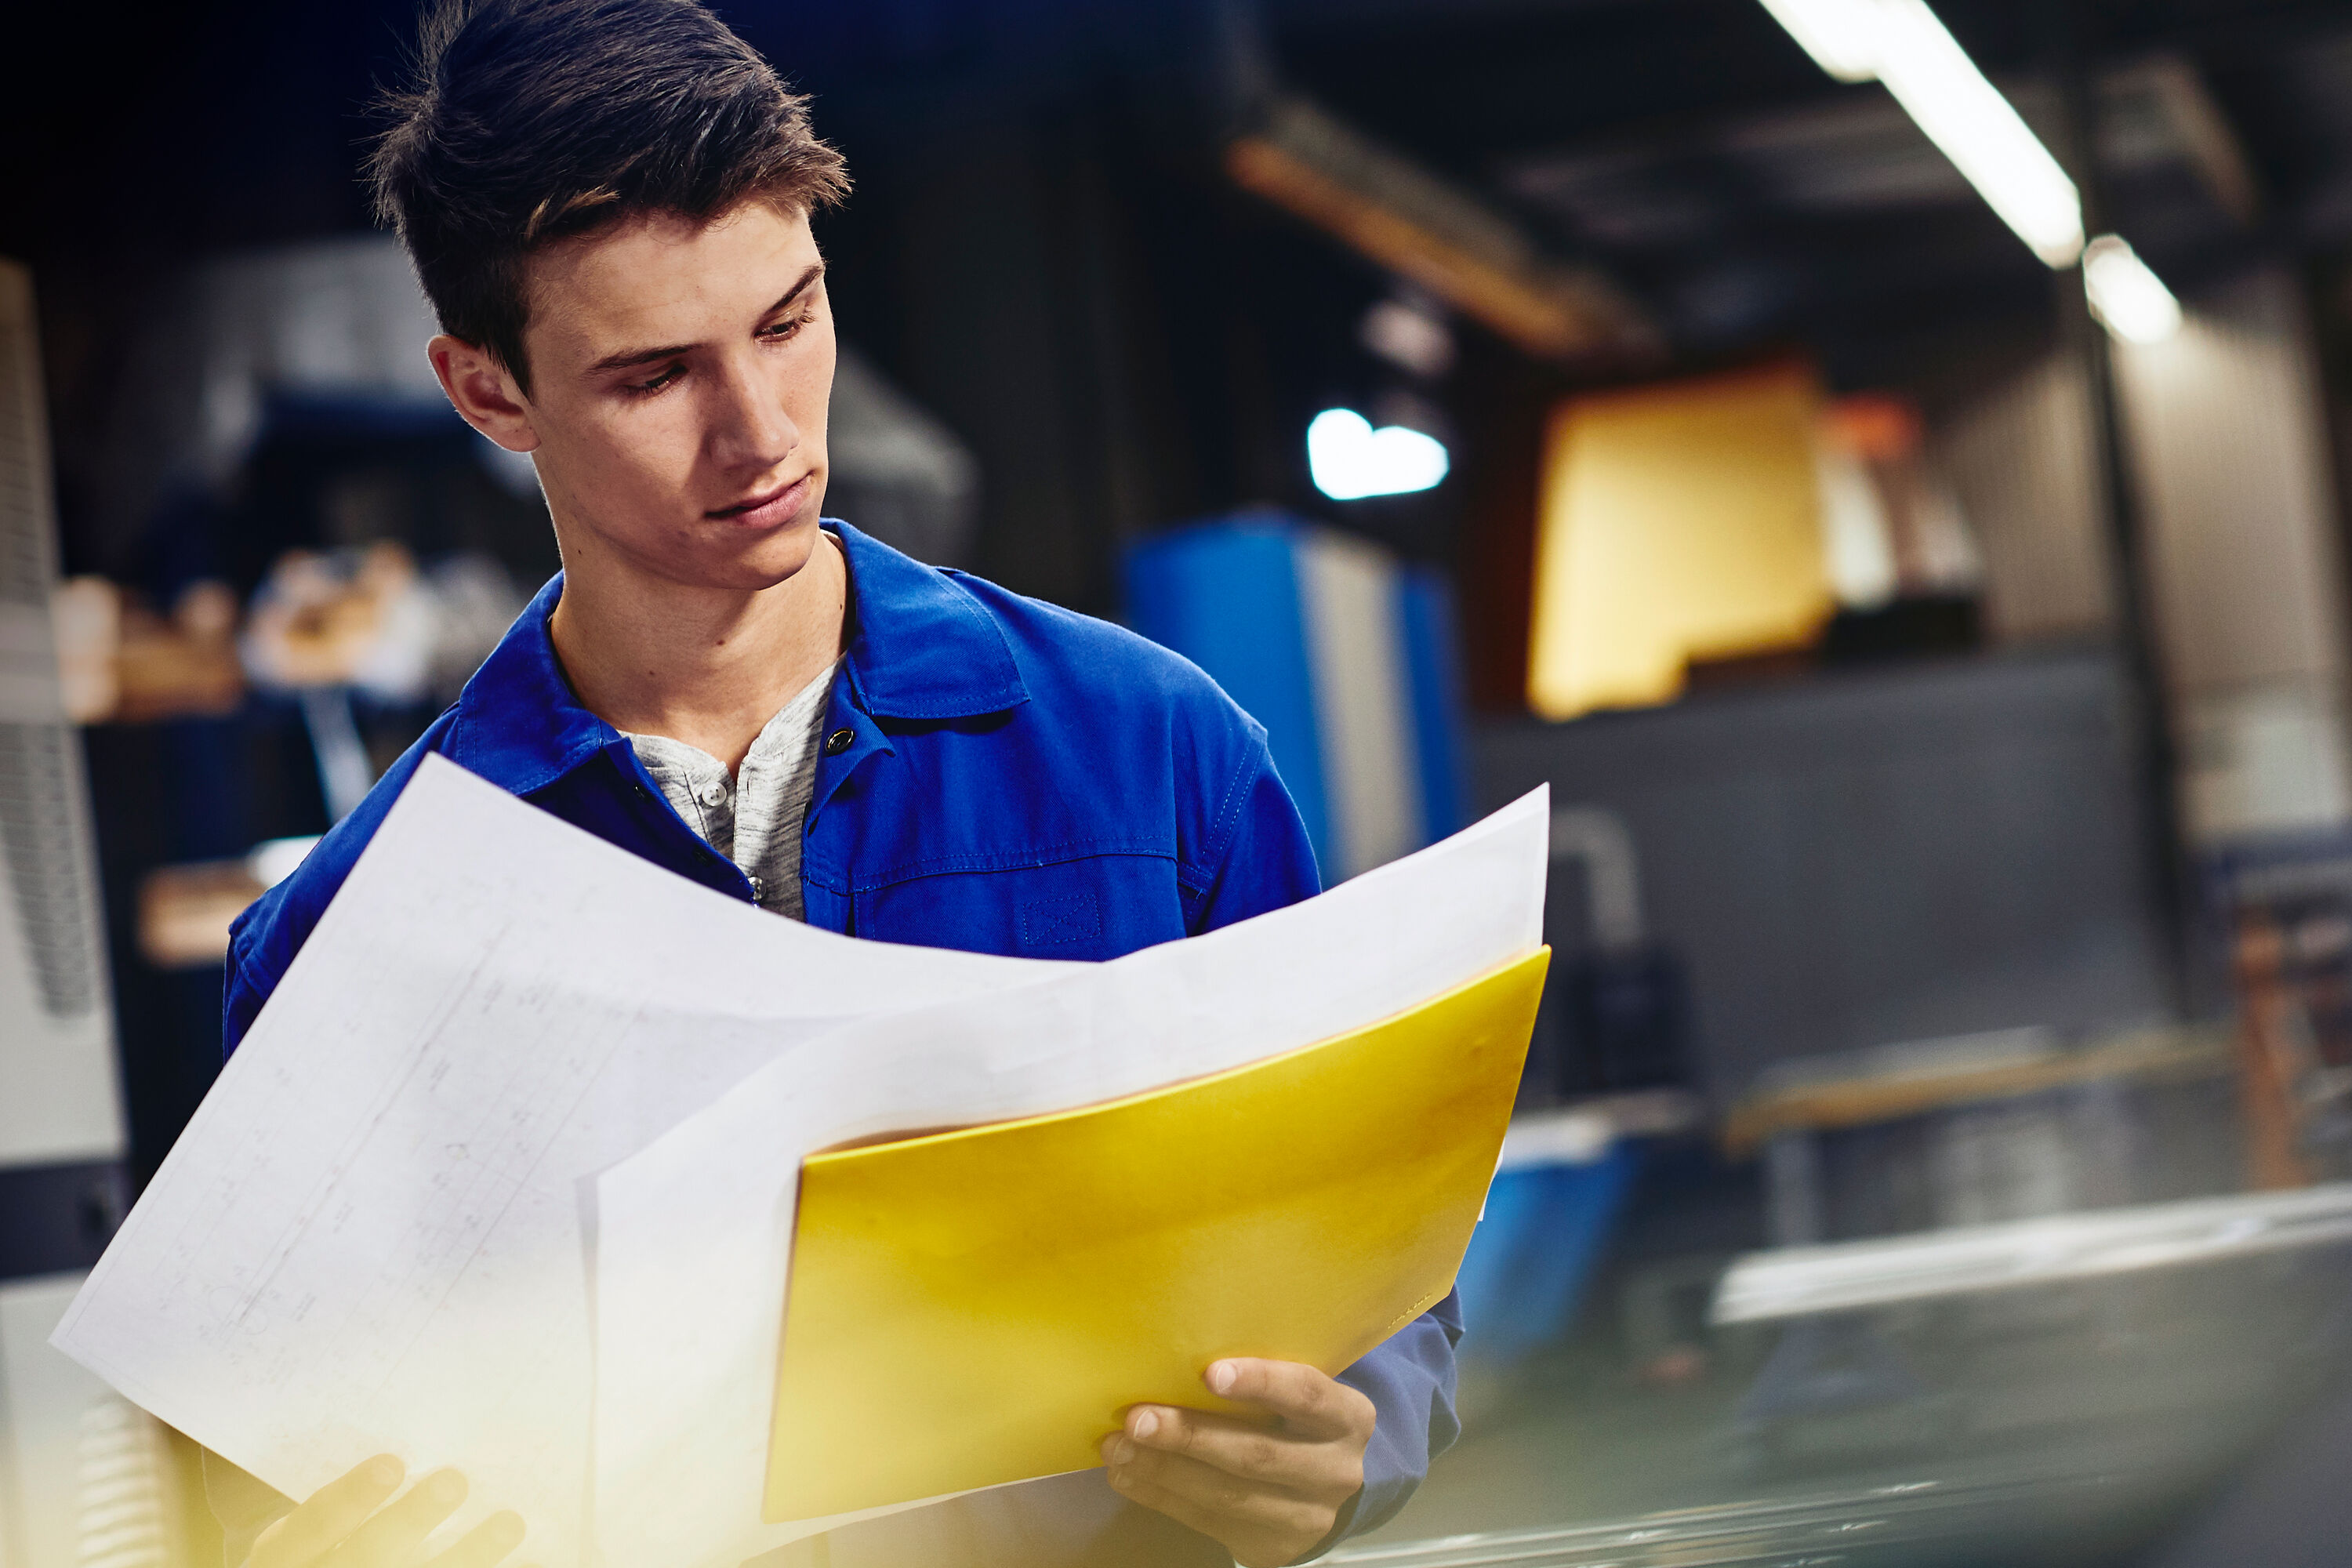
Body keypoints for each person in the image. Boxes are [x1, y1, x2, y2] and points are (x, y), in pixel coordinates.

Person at [210, 2, 1462, 1564]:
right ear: (488, 394)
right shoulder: (353, 942)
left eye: (789, 321)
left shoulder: (1154, 752)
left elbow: (1368, 1269)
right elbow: (286, 1458)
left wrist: (1348, 1439)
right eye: (656, 375)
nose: (761, 437)